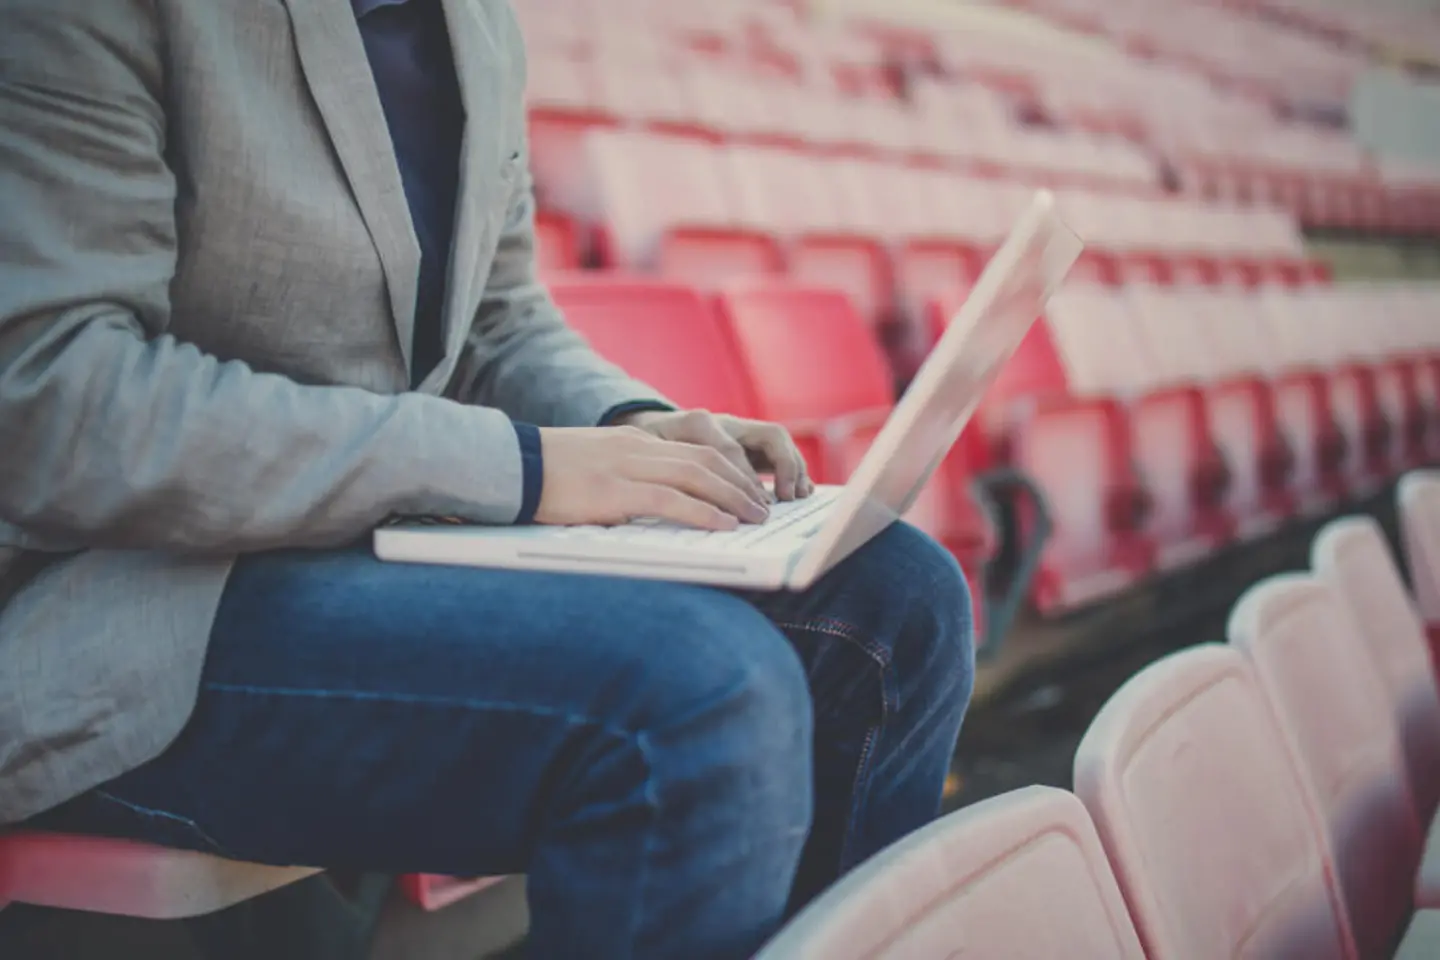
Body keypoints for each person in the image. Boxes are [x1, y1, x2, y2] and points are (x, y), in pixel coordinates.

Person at [0, 1, 974, 957]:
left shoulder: (477, 22)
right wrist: (523, 468)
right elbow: (58, 401)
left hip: (371, 541)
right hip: (131, 599)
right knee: (701, 692)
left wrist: (628, 425)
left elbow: (497, 320)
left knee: (897, 599)